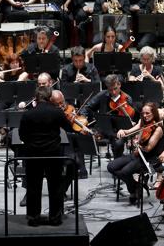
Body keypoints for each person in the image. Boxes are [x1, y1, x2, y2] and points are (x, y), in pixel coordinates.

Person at [19, 86, 73, 226]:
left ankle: (33, 218)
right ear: (50, 98)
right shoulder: (57, 112)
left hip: (33, 154)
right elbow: (68, 128)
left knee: (33, 186)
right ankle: (55, 218)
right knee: (55, 186)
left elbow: (22, 135)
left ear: (36, 98)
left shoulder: (28, 114)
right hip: (53, 154)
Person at [109, 102, 164, 204]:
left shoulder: (158, 129)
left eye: (148, 113)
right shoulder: (142, 122)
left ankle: (132, 190)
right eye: (143, 113)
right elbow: (129, 131)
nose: (145, 116)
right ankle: (136, 186)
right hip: (136, 155)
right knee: (111, 166)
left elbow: (148, 148)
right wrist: (123, 131)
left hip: (147, 159)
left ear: (154, 113)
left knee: (125, 172)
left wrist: (138, 144)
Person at [80, 74, 136, 158]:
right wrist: (83, 118)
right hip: (103, 129)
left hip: (120, 131)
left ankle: (117, 163)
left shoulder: (127, 99)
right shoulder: (102, 95)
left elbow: (130, 120)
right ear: (107, 87)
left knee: (118, 143)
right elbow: (87, 107)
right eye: (110, 90)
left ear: (119, 85)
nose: (113, 92)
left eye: (115, 89)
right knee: (84, 134)